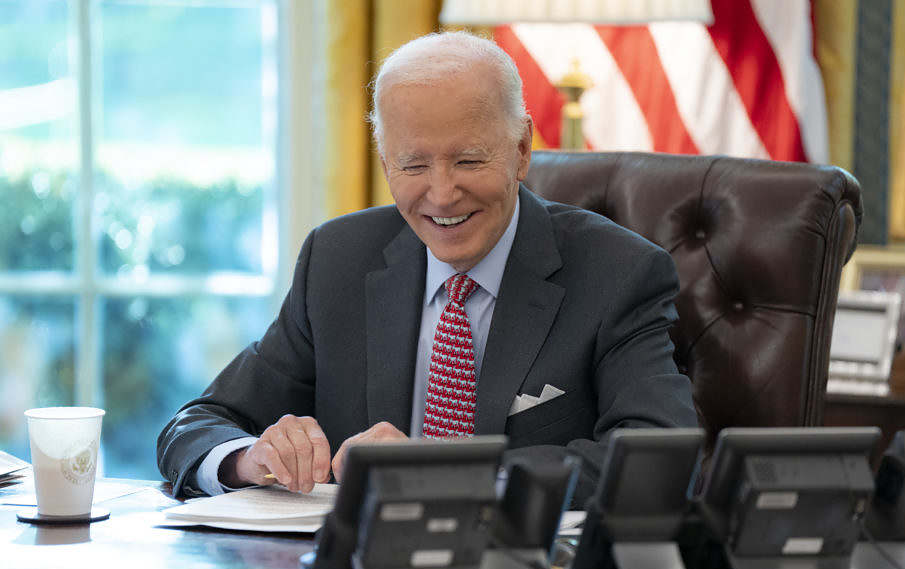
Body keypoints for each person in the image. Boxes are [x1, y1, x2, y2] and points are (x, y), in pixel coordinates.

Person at [157, 31, 697, 506]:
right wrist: (249, 457)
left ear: (522, 149)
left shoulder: (619, 273)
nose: (441, 195)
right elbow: (195, 425)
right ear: (385, 161)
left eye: (468, 160)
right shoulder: (337, 259)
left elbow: (659, 460)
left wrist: (446, 474)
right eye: (413, 165)